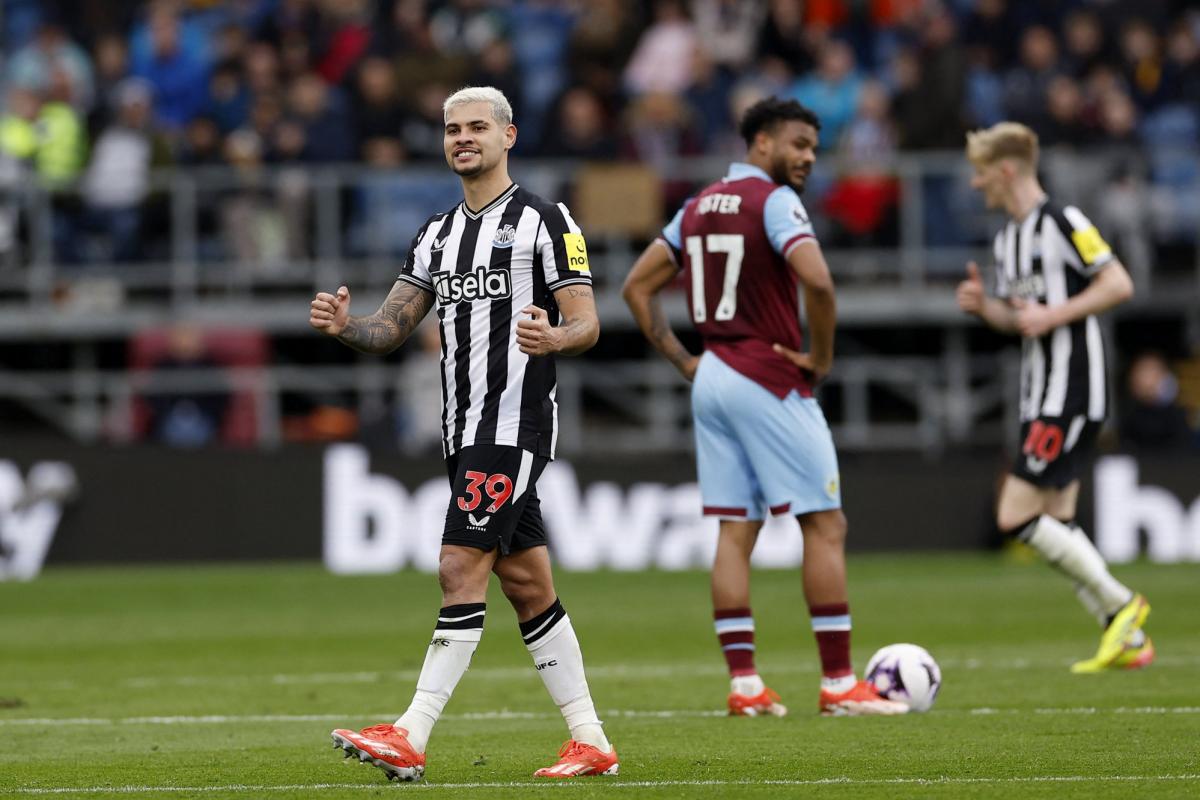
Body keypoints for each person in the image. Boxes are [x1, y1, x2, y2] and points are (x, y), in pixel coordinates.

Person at [310, 86, 617, 782]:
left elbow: (587, 321)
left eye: (477, 127)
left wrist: (555, 337)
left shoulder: (546, 220)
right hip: (462, 429)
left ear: (509, 136)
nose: (463, 138)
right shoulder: (436, 233)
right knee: (527, 583)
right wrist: (347, 327)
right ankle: (590, 740)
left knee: (458, 566)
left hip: (513, 424)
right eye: (452, 129)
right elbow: (391, 328)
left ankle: (410, 733)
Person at [622, 97, 908, 717]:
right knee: (825, 524)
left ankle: (745, 686)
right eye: (799, 144)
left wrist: (684, 360)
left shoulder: (697, 206)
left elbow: (636, 286)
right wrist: (821, 356)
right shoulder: (775, 202)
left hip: (713, 376)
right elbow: (819, 281)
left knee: (735, 530)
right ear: (762, 143)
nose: (809, 158)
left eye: (814, 148)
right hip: (767, 374)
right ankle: (839, 684)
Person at [955, 121, 1153, 673]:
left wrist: (1055, 314)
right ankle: (1127, 639)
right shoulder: (1007, 239)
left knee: (1014, 515)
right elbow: (1021, 321)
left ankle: (1122, 604)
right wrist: (986, 309)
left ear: (1006, 170)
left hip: (1072, 386)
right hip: (1038, 392)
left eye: (980, 173)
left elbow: (1118, 283)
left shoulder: (1065, 221)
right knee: (1057, 521)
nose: (975, 184)